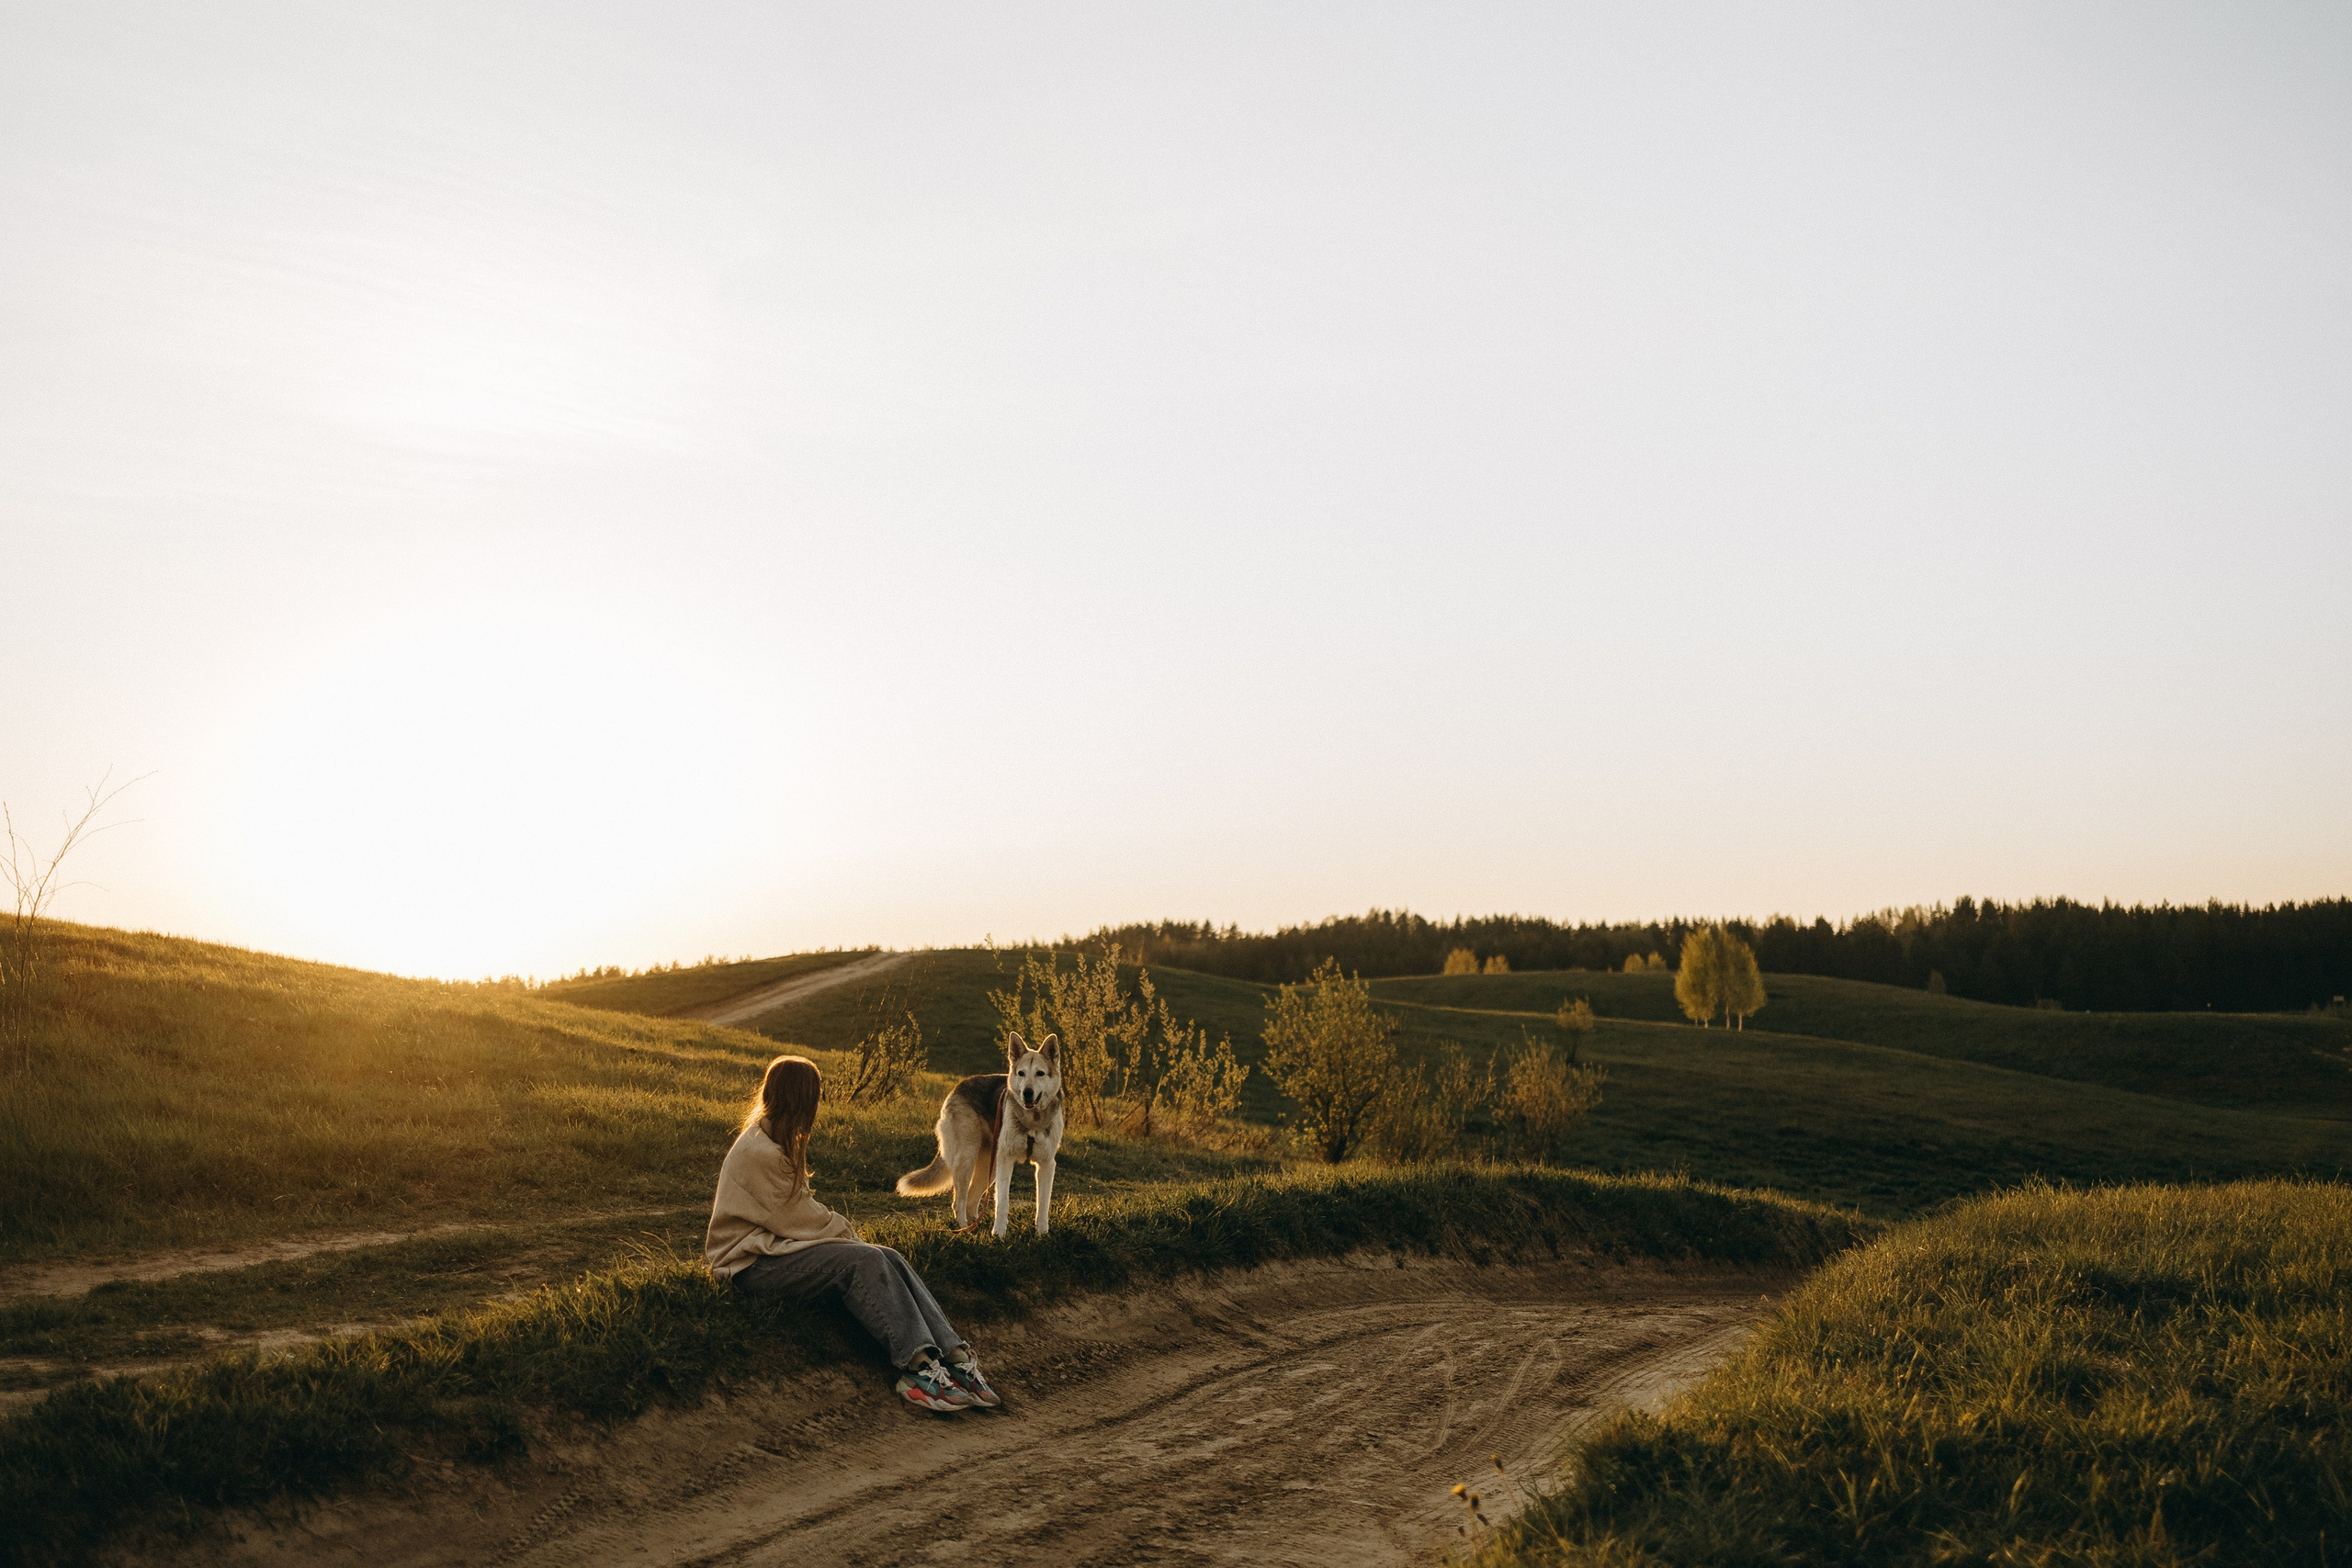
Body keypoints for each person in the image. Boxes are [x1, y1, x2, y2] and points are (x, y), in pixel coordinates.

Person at [706, 1054, 1000, 1414]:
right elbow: (798, 1217)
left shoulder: (773, 1137)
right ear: (800, 1099)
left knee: (889, 1255)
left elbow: (794, 1215)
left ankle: (954, 1355)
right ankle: (917, 1368)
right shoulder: (760, 1151)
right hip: (748, 1264)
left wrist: (851, 1239)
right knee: (864, 1260)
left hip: (774, 1248)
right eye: (814, 1097)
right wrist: (849, 1234)